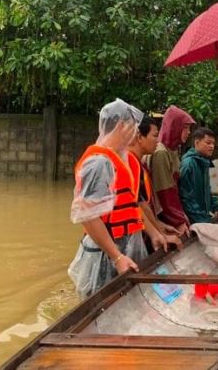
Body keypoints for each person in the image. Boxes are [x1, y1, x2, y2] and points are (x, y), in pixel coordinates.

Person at [68, 99, 147, 299]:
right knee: (99, 303)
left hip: (125, 246)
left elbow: (133, 204)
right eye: (133, 127)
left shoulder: (123, 159)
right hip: (106, 255)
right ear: (121, 125)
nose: (136, 133)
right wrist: (117, 256)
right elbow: (88, 216)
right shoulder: (99, 163)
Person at [127, 116, 183, 253]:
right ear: (140, 137)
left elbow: (143, 203)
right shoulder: (130, 165)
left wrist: (159, 225)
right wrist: (158, 233)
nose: (158, 141)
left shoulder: (138, 164)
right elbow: (138, 205)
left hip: (141, 233)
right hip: (132, 238)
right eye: (154, 136)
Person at [149, 105, 195, 235]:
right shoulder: (161, 153)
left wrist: (181, 216)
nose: (188, 132)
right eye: (185, 127)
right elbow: (164, 193)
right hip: (163, 219)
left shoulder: (172, 151)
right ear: (175, 127)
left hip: (170, 215)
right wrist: (178, 221)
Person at [179, 127, 218, 224]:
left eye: (213, 143)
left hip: (202, 218)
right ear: (197, 143)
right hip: (193, 221)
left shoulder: (203, 162)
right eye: (208, 143)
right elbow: (186, 199)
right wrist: (203, 220)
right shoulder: (189, 164)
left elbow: (207, 192)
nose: (212, 146)